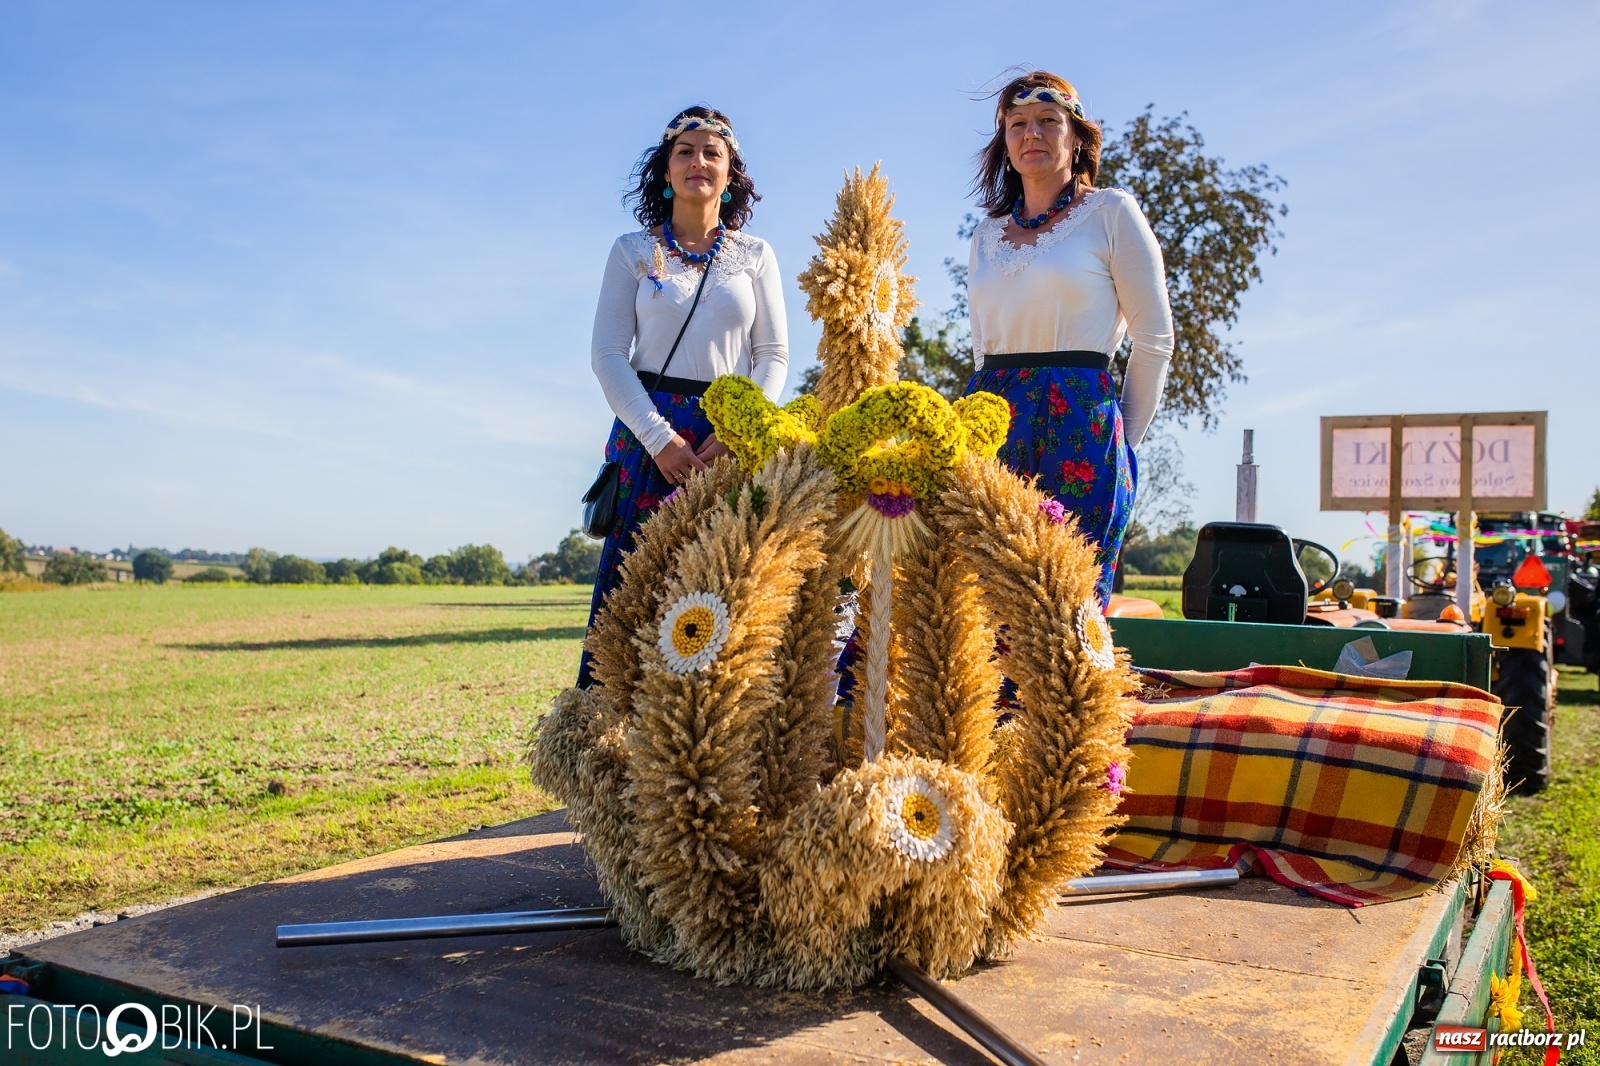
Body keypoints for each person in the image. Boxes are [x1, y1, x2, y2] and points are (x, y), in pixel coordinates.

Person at [579, 106, 788, 687]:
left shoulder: (756, 256)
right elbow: (607, 356)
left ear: (731, 172)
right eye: (685, 152)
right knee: (631, 603)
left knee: (721, 601)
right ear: (666, 172)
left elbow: (773, 356)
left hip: (730, 437)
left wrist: (740, 431)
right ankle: (609, 757)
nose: (699, 162)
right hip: (650, 438)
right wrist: (659, 439)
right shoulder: (631, 252)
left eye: (712, 153)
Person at [965, 71, 1174, 605]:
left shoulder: (1110, 213)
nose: (1031, 134)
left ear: (1077, 136)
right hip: (989, 423)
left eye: (1047, 121)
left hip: (1082, 426)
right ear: (1004, 141)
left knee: (1064, 606)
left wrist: (1123, 441)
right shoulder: (985, 234)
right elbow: (982, 348)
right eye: (1017, 124)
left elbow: (1154, 339)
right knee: (983, 604)